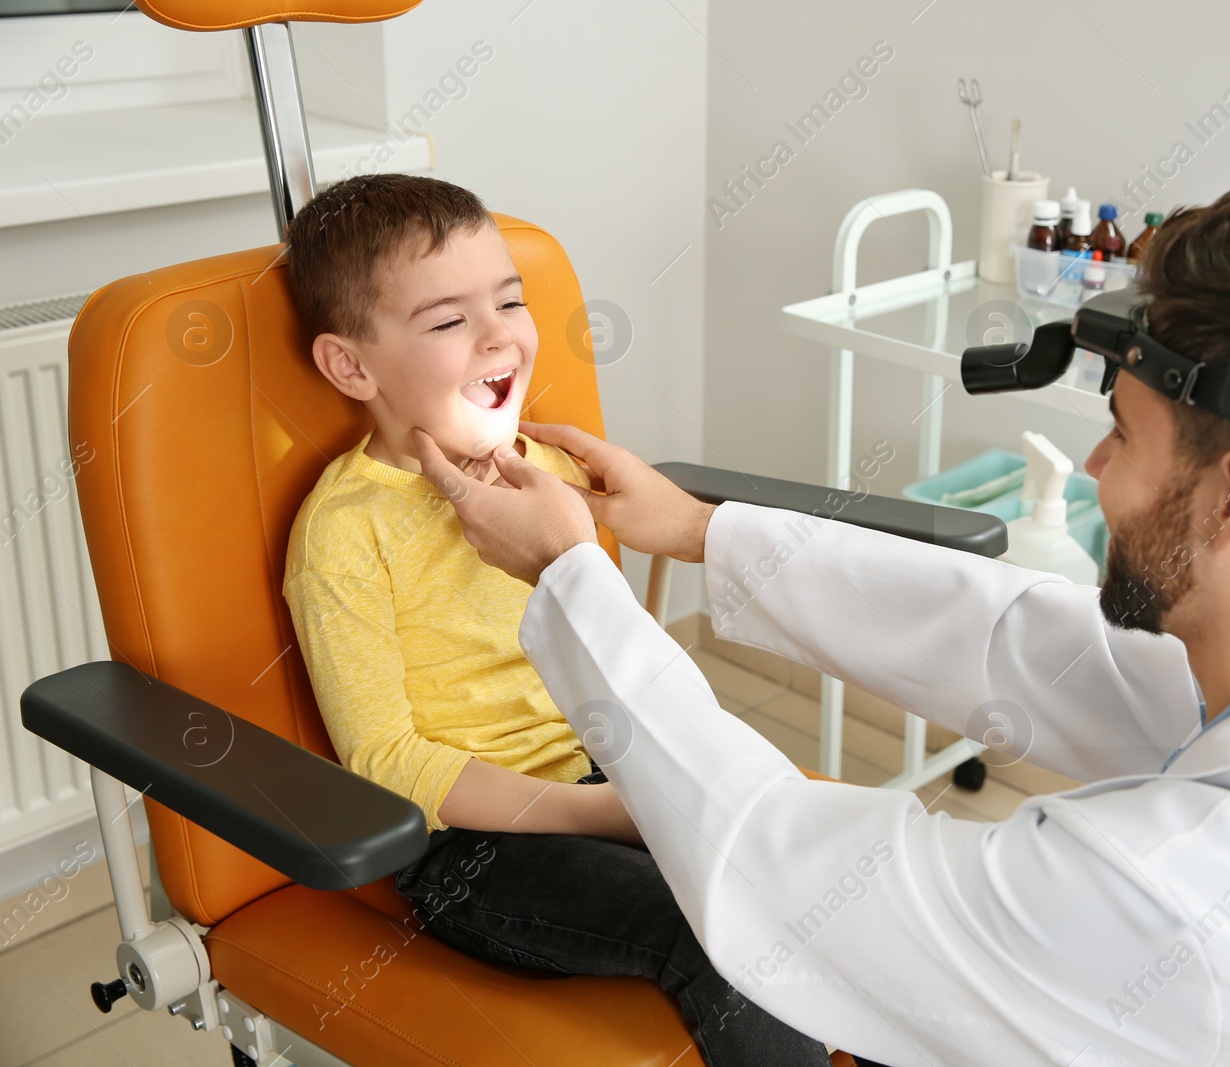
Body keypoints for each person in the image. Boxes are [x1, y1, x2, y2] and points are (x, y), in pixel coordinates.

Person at [414, 179, 1230, 1066]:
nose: (1093, 463)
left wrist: (575, 578)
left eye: (1120, 429)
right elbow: (1035, 644)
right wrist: (698, 529)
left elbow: (769, 870)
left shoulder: (1178, 909)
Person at [280, 173, 838, 1066]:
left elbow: (609, 649)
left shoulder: (543, 473)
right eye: (448, 319)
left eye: (509, 299)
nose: (500, 332)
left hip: (605, 772)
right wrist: (606, 814)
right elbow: (392, 762)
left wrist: (646, 782)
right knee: (715, 933)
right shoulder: (346, 533)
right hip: (476, 850)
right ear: (351, 365)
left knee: (815, 879)